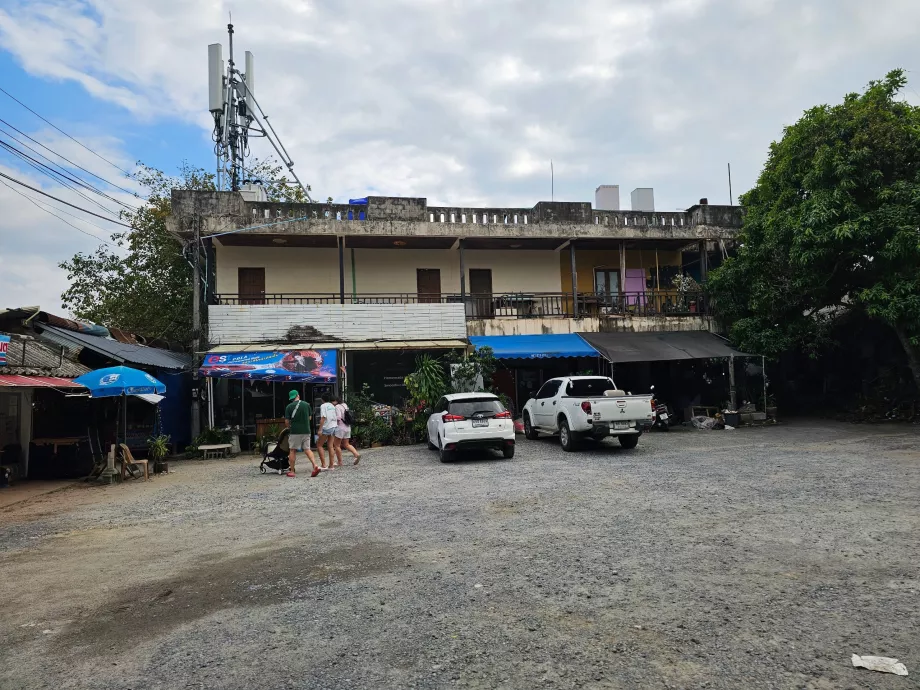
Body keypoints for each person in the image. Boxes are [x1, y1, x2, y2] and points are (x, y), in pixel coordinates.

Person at [284, 390, 321, 478]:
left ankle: (292, 471)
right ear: (298, 395)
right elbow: (310, 418)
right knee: (307, 449)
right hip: (306, 430)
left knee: (292, 450)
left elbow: (286, 421)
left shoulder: (289, 407)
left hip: (295, 431)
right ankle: (315, 465)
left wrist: (289, 427)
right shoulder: (306, 405)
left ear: (291, 398)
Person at [332, 395, 361, 466]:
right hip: (347, 427)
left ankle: (340, 462)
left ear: (335, 401)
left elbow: (338, 417)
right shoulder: (345, 405)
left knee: (336, 445)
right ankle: (356, 454)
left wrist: (332, 418)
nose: (332, 403)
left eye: (332, 401)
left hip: (340, 428)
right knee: (346, 444)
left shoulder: (337, 407)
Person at [317, 393, 338, 469]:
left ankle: (323, 465)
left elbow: (323, 418)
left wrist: (320, 429)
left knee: (319, 445)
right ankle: (331, 465)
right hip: (334, 427)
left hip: (326, 427)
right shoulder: (332, 406)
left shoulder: (323, 406)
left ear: (322, 400)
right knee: (330, 446)